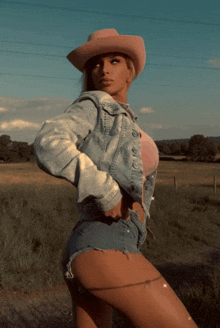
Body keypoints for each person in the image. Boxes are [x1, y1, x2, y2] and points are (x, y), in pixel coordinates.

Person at [34, 29, 198, 328]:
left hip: (97, 244)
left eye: (114, 61)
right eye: (96, 64)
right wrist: (106, 191)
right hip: (105, 241)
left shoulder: (124, 120)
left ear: (129, 73)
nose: (104, 69)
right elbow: (49, 141)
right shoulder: (95, 104)